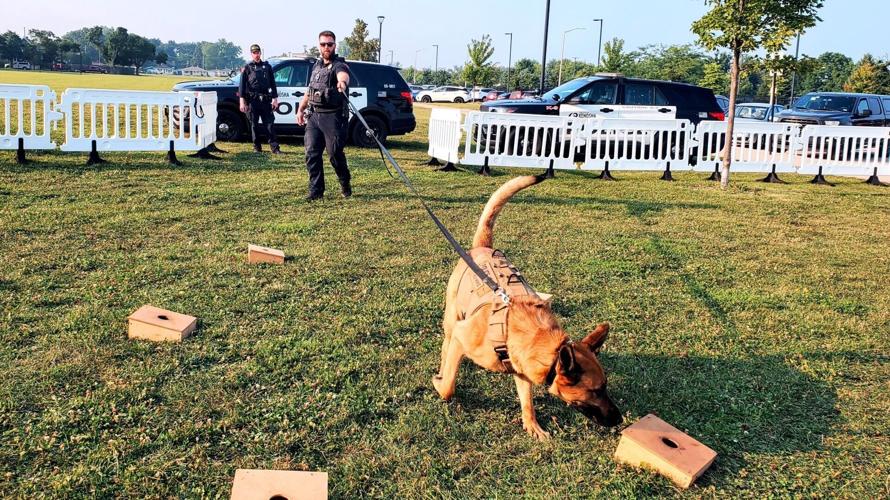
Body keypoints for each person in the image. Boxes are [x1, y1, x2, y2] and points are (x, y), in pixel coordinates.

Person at [296, 30, 352, 201]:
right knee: (311, 153)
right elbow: (310, 90)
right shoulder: (316, 66)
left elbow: (343, 76)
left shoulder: (339, 65)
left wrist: (342, 82)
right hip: (314, 116)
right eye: (323, 44)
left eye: (329, 44)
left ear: (335, 45)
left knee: (334, 154)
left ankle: (345, 183)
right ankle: (316, 191)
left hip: (333, 118)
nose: (326, 47)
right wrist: (301, 108)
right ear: (319, 46)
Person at [239, 44, 281, 154]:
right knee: (254, 125)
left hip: (266, 100)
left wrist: (275, 99)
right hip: (253, 100)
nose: (256, 55)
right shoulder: (247, 68)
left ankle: (275, 148)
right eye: (254, 53)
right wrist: (242, 102)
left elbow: (272, 83)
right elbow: (242, 86)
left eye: (258, 52)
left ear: (260, 53)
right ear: (251, 54)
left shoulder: (267, 67)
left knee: (269, 124)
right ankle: (257, 147)